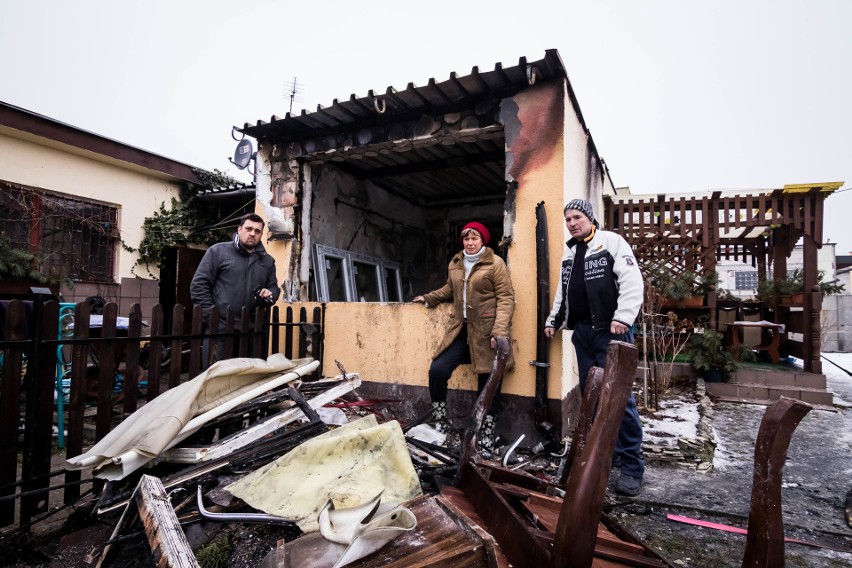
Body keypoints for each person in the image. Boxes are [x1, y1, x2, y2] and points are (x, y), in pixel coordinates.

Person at [544, 199, 645, 496]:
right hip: (584, 334)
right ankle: (608, 453)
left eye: (577, 217)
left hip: (611, 332)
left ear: (590, 218)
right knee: (595, 397)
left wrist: (623, 318)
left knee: (619, 399)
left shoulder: (611, 242)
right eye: (568, 219)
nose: (572, 223)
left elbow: (631, 281)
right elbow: (564, 293)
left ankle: (632, 465)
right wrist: (554, 320)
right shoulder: (571, 252)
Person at [413, 222, 515, 453]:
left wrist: (499, 332)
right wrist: (429, 298)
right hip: (462, 332)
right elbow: (450, 290)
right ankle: (440, 420)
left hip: (487, 333)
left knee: (489, 385)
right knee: (437, 370)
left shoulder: (495, 264)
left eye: (474, 238)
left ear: (483, 241)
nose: (469, 243)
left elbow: (506, 298)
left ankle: (485, 434)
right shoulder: (456, 263)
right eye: (466, 239)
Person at [190, 213, 280, 363]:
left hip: (253, 330)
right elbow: (199, 285)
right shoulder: (218, 251)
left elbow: (274, 287)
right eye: (249, 228)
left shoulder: (267, 261)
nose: (252, 233)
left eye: (257, 231)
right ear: (239, 229)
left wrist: (270, 294)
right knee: (216, 378)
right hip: (221, 329)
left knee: (249, 379)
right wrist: (212, 317)